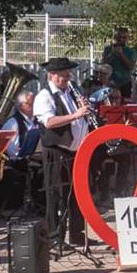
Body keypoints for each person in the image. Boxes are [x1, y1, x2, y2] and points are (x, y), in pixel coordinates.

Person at [34, 57, 92, 246]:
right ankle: (55, 237)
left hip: (76, 151)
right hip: (57, 152)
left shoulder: (71, 92)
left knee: (77, 194)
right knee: (57, 195)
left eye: (69, 72)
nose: (68, 76)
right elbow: (49, 122)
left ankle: (77, 234)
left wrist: (84, 110)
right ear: (52, 75)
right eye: (64, 73)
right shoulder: (44, 96)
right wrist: (75, 115)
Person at [102, 27, 136, 99]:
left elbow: (130, 67)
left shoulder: (130, 51)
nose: (121, 39)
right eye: (119, 37)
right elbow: (104, 65)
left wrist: (121, 54)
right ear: (116, 37)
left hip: (124, 83)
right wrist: (112, 54)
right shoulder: (108, 49)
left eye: (124, 37)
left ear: (127, 39)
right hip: (110, 83)